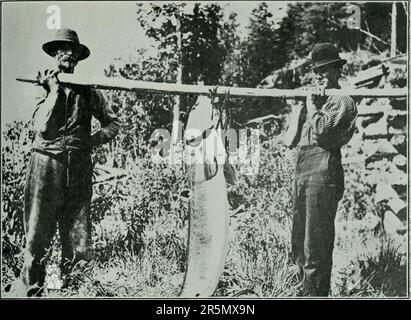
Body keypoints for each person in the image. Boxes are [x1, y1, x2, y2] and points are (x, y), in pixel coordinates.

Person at [12, 28, 120, 297]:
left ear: (79, 57)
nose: (68, 54)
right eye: (63, 49)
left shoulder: (88, 90)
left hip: (79, 165)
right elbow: (41, 125)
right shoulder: (42, 84)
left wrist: (92, 141)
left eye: (73, 50)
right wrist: (53, 91)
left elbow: (113, 123)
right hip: (45, 163)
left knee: (78, 227)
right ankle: (29, 287)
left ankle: (77, 287)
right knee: (37, 228)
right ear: (55, 54)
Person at [291, 43, 357, 296]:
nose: (319, 76)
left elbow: (323, 132)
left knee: (315, 240)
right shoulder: (315, 99)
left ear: (338, 70)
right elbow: (290, 139)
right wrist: (301, 106)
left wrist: (312, 107)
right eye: (316, 71)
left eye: (326, 70)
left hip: (324, 169)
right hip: (303, 167)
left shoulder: (343, 100)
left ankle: (315, 294)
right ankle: (298, 290)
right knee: (299, 236)